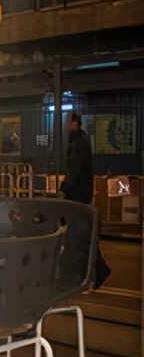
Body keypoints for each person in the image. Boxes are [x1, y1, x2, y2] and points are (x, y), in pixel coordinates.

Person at [59, 111, 111, 289]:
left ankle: (96, 272)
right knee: (78, 233)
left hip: (77, 194)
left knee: (79, 234)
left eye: (68, 121)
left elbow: (74, 167)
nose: (66, 124)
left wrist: (64, 188)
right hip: (81, 193)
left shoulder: (79, 140)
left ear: (75, 122)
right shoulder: (80, 138)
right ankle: (82, 273)